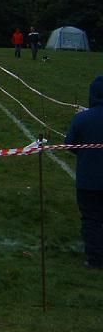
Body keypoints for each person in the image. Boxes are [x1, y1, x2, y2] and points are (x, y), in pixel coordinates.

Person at [65, 76, 103, 270]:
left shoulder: (82, 118)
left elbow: (69, 144)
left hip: (88, 180)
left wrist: (85, 154)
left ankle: (95, 259)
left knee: (90, 218)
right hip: (89, 178)